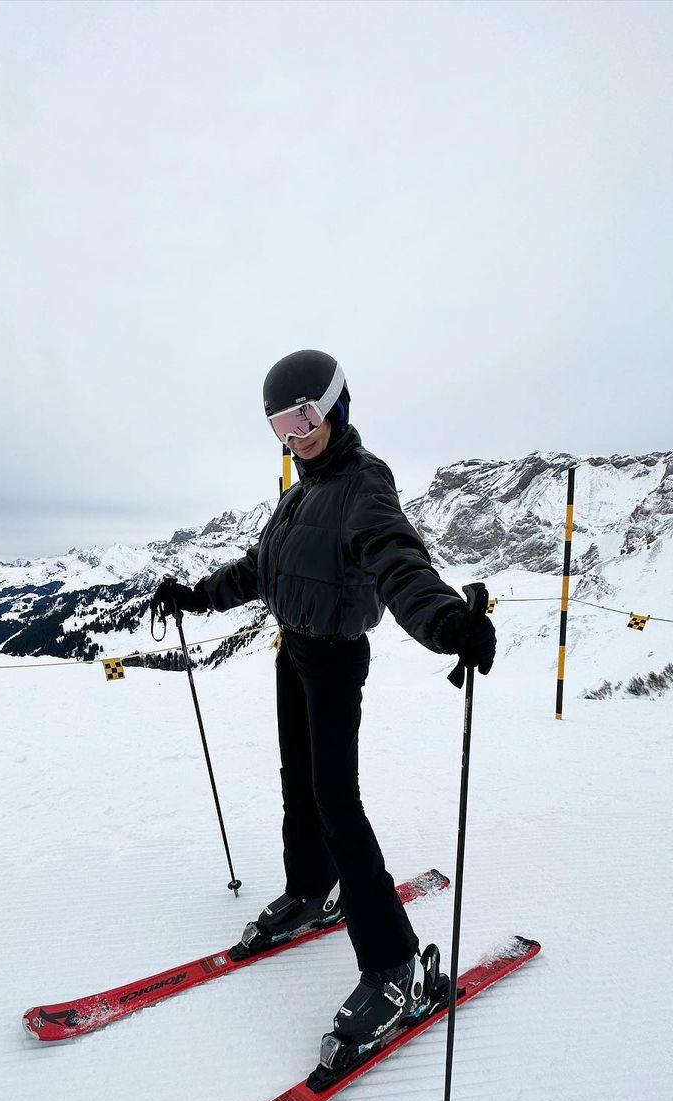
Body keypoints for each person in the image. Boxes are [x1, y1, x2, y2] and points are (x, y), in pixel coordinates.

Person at [151, 349, 495, 1055]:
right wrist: (195, 594)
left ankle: (396, 965)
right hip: (294, 651)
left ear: (338, 406)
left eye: (306, 416)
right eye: (281, 422)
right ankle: (311, 889)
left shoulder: (364, 484)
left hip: (335, 658)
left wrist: (447, 622)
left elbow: (397, 558)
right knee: (298, 788)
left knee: (338, 804)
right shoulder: (299, 491)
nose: (295, 433)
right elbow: (261, 569)